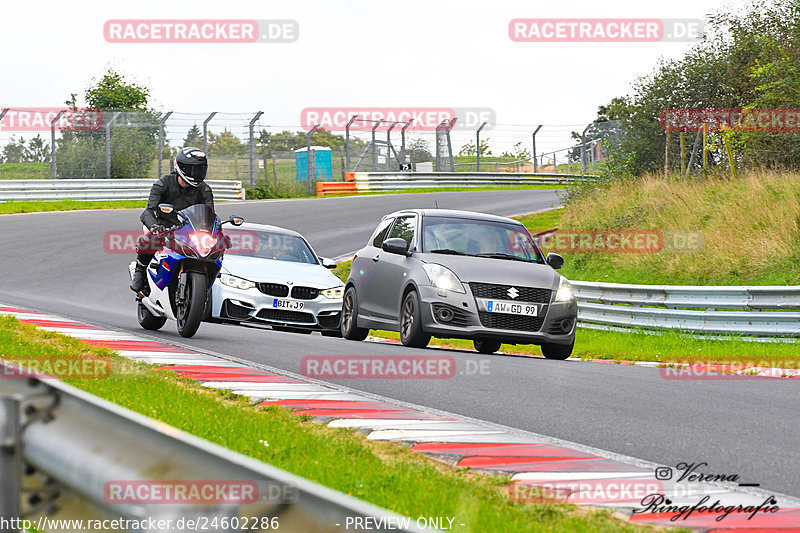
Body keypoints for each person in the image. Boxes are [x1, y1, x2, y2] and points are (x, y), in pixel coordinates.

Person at [130, 147, 214, 293]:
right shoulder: (163, 184)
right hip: (163, 226)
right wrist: (155, 226)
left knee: (215, 245)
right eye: (194, 170)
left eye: (200, 170)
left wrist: (215, 232)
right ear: (181, 167)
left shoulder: (204, 189)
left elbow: (210, 214)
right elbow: (148, 211)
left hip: (190, 229)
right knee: (150, 239)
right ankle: (140, 271)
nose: (198, 174)